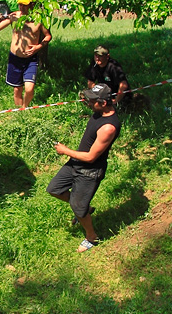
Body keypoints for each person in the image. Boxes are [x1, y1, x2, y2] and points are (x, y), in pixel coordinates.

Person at [47, 84, 121, 253]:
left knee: (78, 207)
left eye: (92, 100)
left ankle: (92, 237)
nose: (87, 102)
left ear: (103, 103)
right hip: (76, 163)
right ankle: (84, 209)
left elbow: (91, 157)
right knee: (54, 189)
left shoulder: (108, 127)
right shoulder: (99, 112)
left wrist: (65, 151)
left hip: (90, 171)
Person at [0, 0, 51, 108]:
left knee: (29, 88)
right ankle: (19, 111)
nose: (22, 8)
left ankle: (25, 107)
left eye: (25, 5)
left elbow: (48, 36)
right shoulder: (14, 17)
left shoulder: (38, 19)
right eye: (20, 5)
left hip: (31, 59)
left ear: (31, 5)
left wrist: (38, 47)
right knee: (17, 89)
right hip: (15, 58)